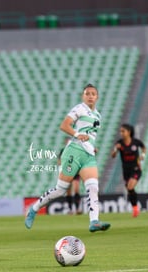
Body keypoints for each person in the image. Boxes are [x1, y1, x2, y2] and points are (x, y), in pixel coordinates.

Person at [25, 84, 110, 232]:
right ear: (83, 96)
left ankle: (94, 221)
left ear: (97, 97)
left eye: (93, 94)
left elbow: (91, 134)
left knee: (93, 187)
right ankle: (34, 208)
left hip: (88, 155)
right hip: (74, 152)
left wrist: (92, 145)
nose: (90, 96)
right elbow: (64, 125)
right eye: (87, 93)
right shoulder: (79, 109)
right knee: (61, 190)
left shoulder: (97, 115)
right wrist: (77, 135)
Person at [111, 124, 146, 217]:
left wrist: (143, 155)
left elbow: (143, 147)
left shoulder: (135, 142)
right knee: (130, 189)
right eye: (120, 131)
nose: (121, 133)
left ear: (129, 132)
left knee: (130, 187)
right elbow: (113, 155)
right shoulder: (119, 143)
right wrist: (115, 149)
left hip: (136, 169)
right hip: (126, 171)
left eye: (123, 131)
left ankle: (135, 208)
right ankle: (135, 207)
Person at [58, 142, 82, 215]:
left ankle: (77, 209)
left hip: (75, 172)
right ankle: (70, 209)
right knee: (68, 191)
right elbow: (59, 162)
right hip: (67, 172)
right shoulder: (63, 150)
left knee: (76, 189)